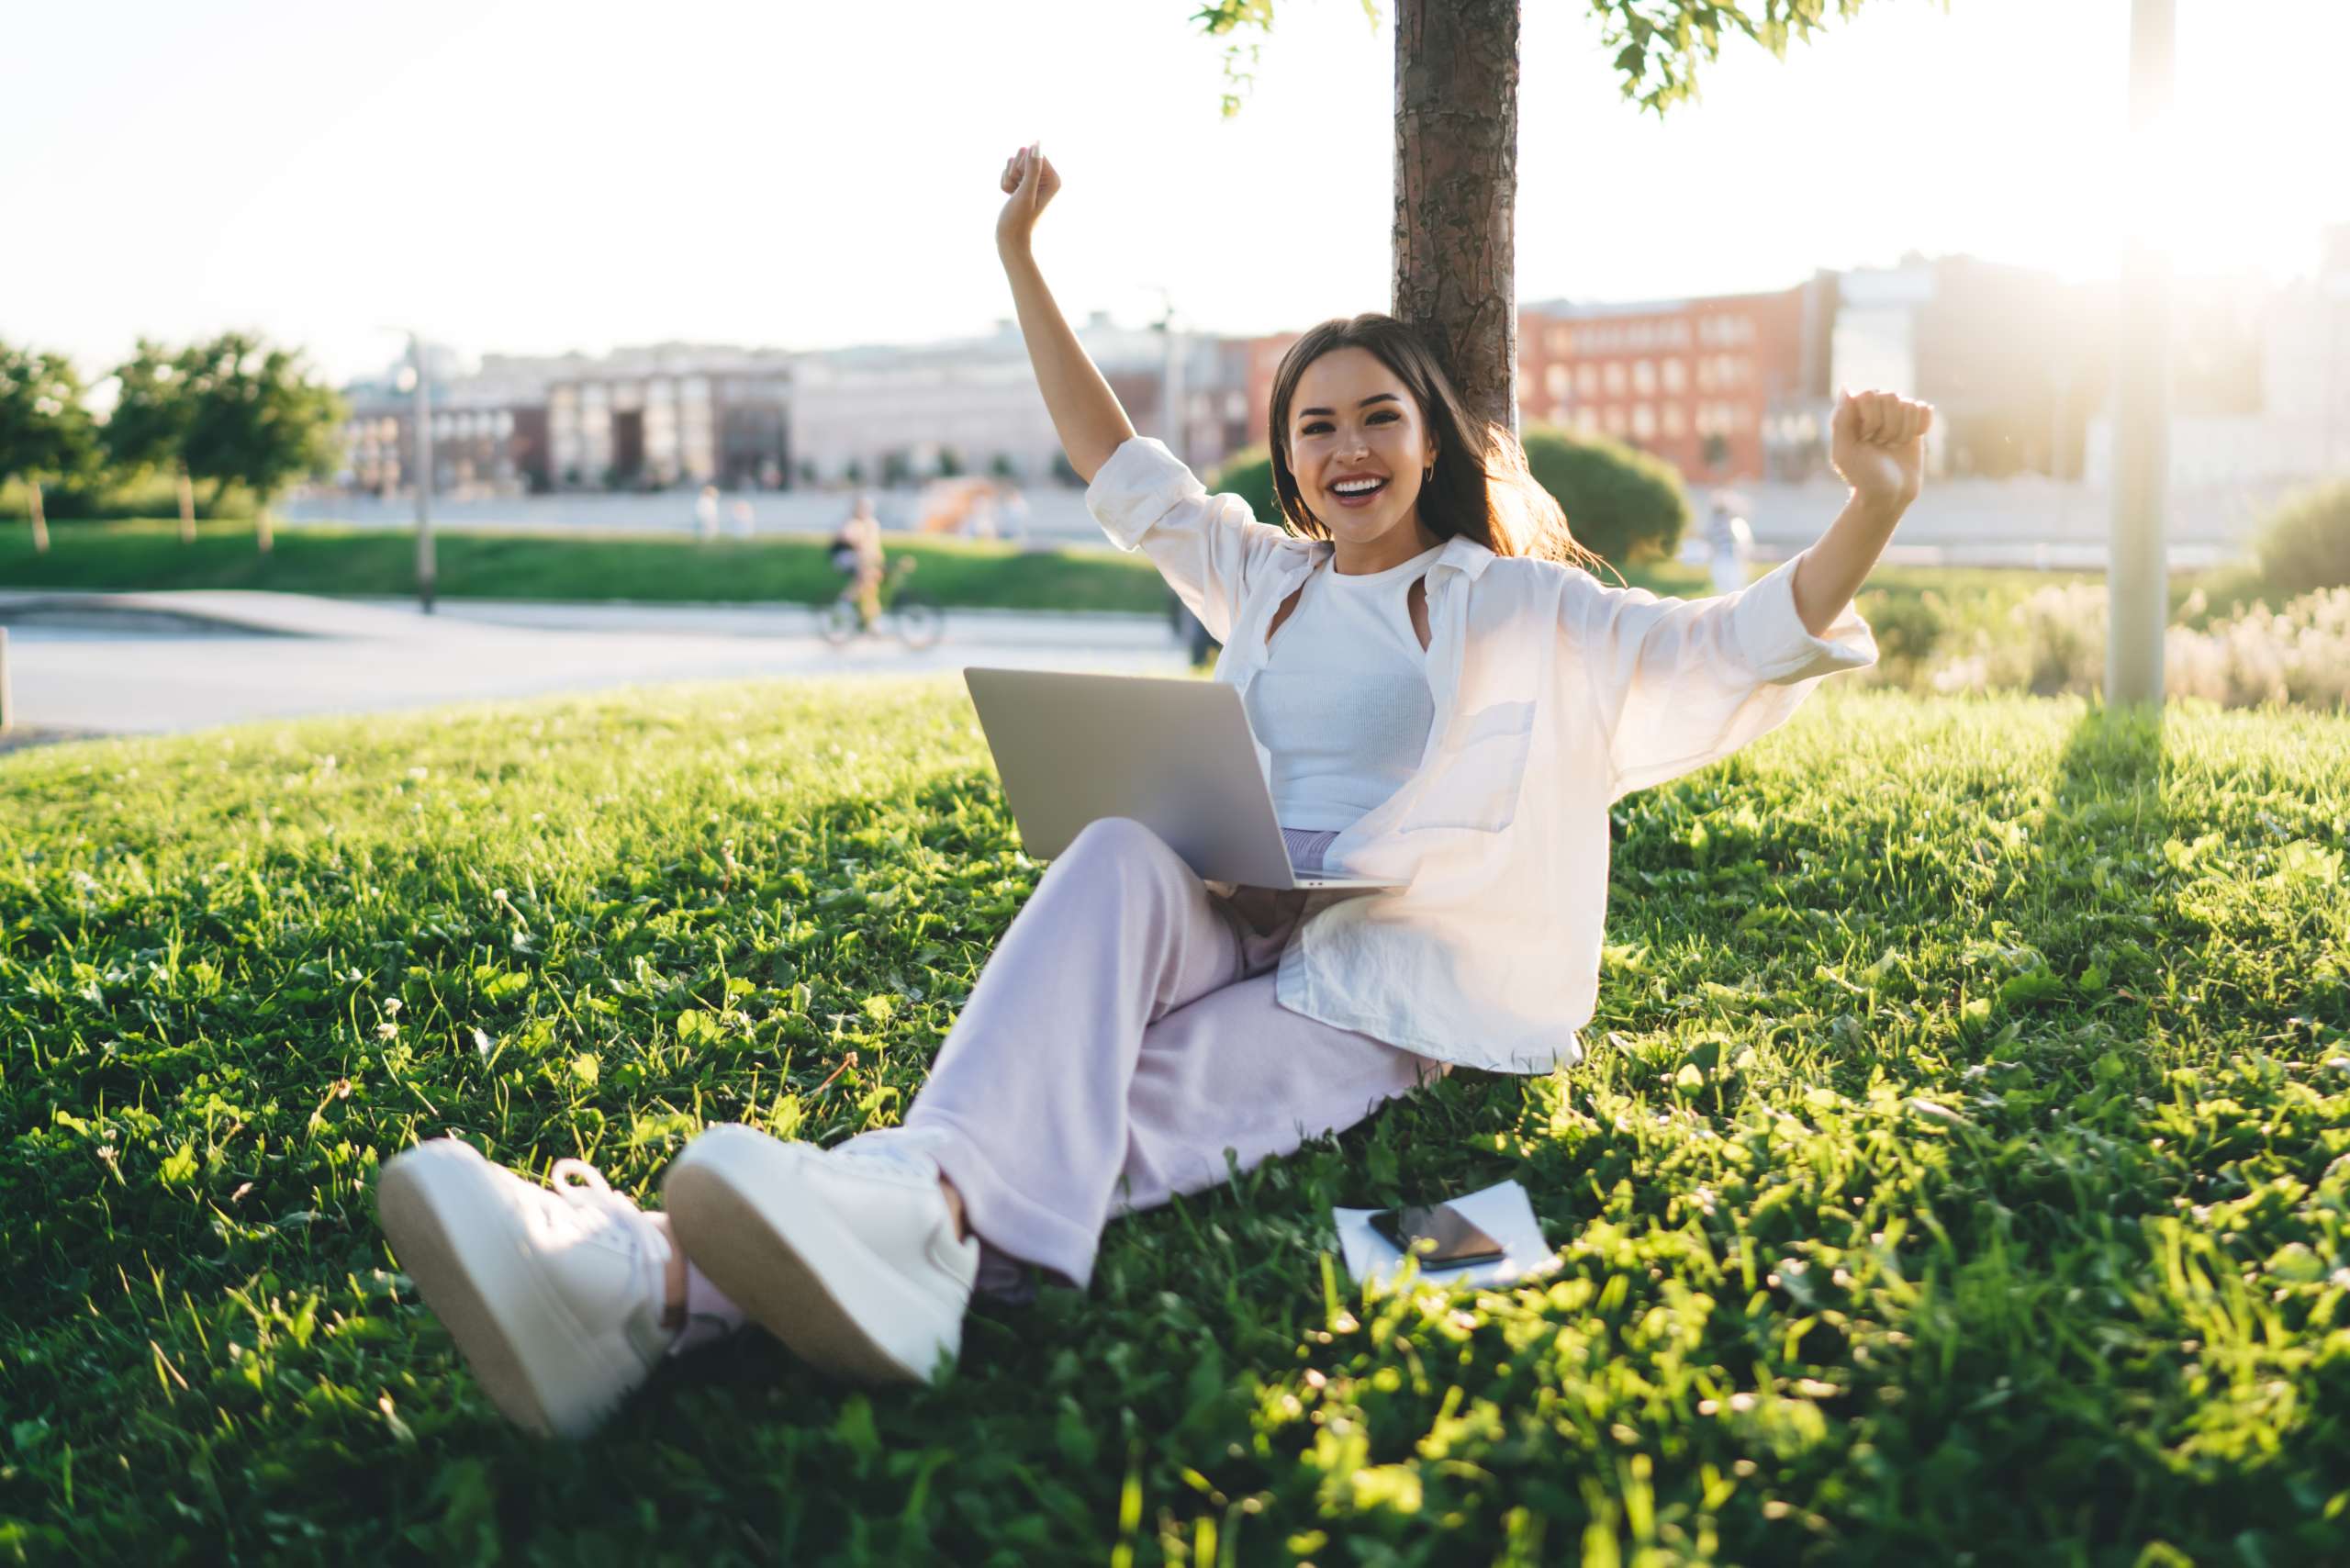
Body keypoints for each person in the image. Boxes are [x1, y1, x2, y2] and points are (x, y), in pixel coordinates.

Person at [374, 141, 1934, 1440]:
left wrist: (1868, 508)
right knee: (1117, 851)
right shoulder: (1258, 580)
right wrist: (1022, 258)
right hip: (1217, 901)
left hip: (1383, 979)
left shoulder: (1512, 603)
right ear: (1288, 459)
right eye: (1313, 423)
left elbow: (1736, 640)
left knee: (1120, 1103)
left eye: (1377, 414)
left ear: (1434, 436)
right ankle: (866, 1229)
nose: (1344, 445)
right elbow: (1111, 454)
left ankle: (643, 1278)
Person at [828, 493, 886, 627]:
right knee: (865, 576)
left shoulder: (872, 524)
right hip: (847, 557)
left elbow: (875, 546)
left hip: (865, 560)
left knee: (872, 584)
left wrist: (878, 562)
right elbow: (846, 537)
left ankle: (868, 618)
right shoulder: (852, 523)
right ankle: (844, 603)